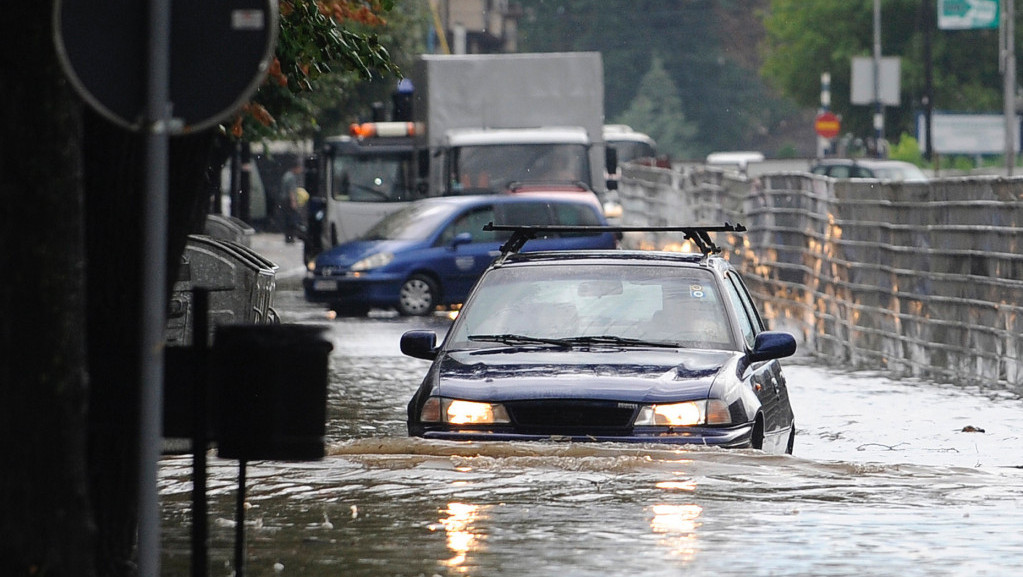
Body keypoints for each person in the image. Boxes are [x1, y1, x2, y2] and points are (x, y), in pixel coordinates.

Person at [280, 158, 304, 243]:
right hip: (288, 200)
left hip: (284, 200)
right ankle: (290, 237)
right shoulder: (291, 177)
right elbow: (291, 191)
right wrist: (293, 202)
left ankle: (288, 237)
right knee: (291, 220)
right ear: (296, 168)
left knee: (287, 219)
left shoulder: (286, 175)